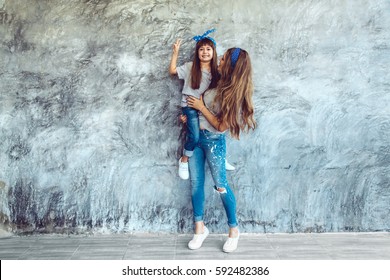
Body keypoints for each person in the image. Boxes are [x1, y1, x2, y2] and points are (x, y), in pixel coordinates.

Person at [183, 47, 256, 253]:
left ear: (232, 67)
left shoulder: (234, 94)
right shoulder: (217, 82)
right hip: (196, 137)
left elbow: (221, 126)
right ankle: (199, 229)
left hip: (214, 142)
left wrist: (200, 107)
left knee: (221, 185)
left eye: (223, 59)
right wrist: (190, 117)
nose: (219, 61)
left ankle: (233, 230)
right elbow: (199, 106)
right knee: (196, 183)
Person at [169, 29, 235, 180]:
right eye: (201, 49)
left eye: (208, 49)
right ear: (197, 52)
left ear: (214, 52)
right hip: (191, 106)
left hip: (206, 107)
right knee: (195, 137)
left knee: (219, 128)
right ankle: (184, 160)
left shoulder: (217, 71)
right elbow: (172, 71)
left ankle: (220, 157)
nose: (205, 52)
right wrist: (175, 52)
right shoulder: (190, 67)